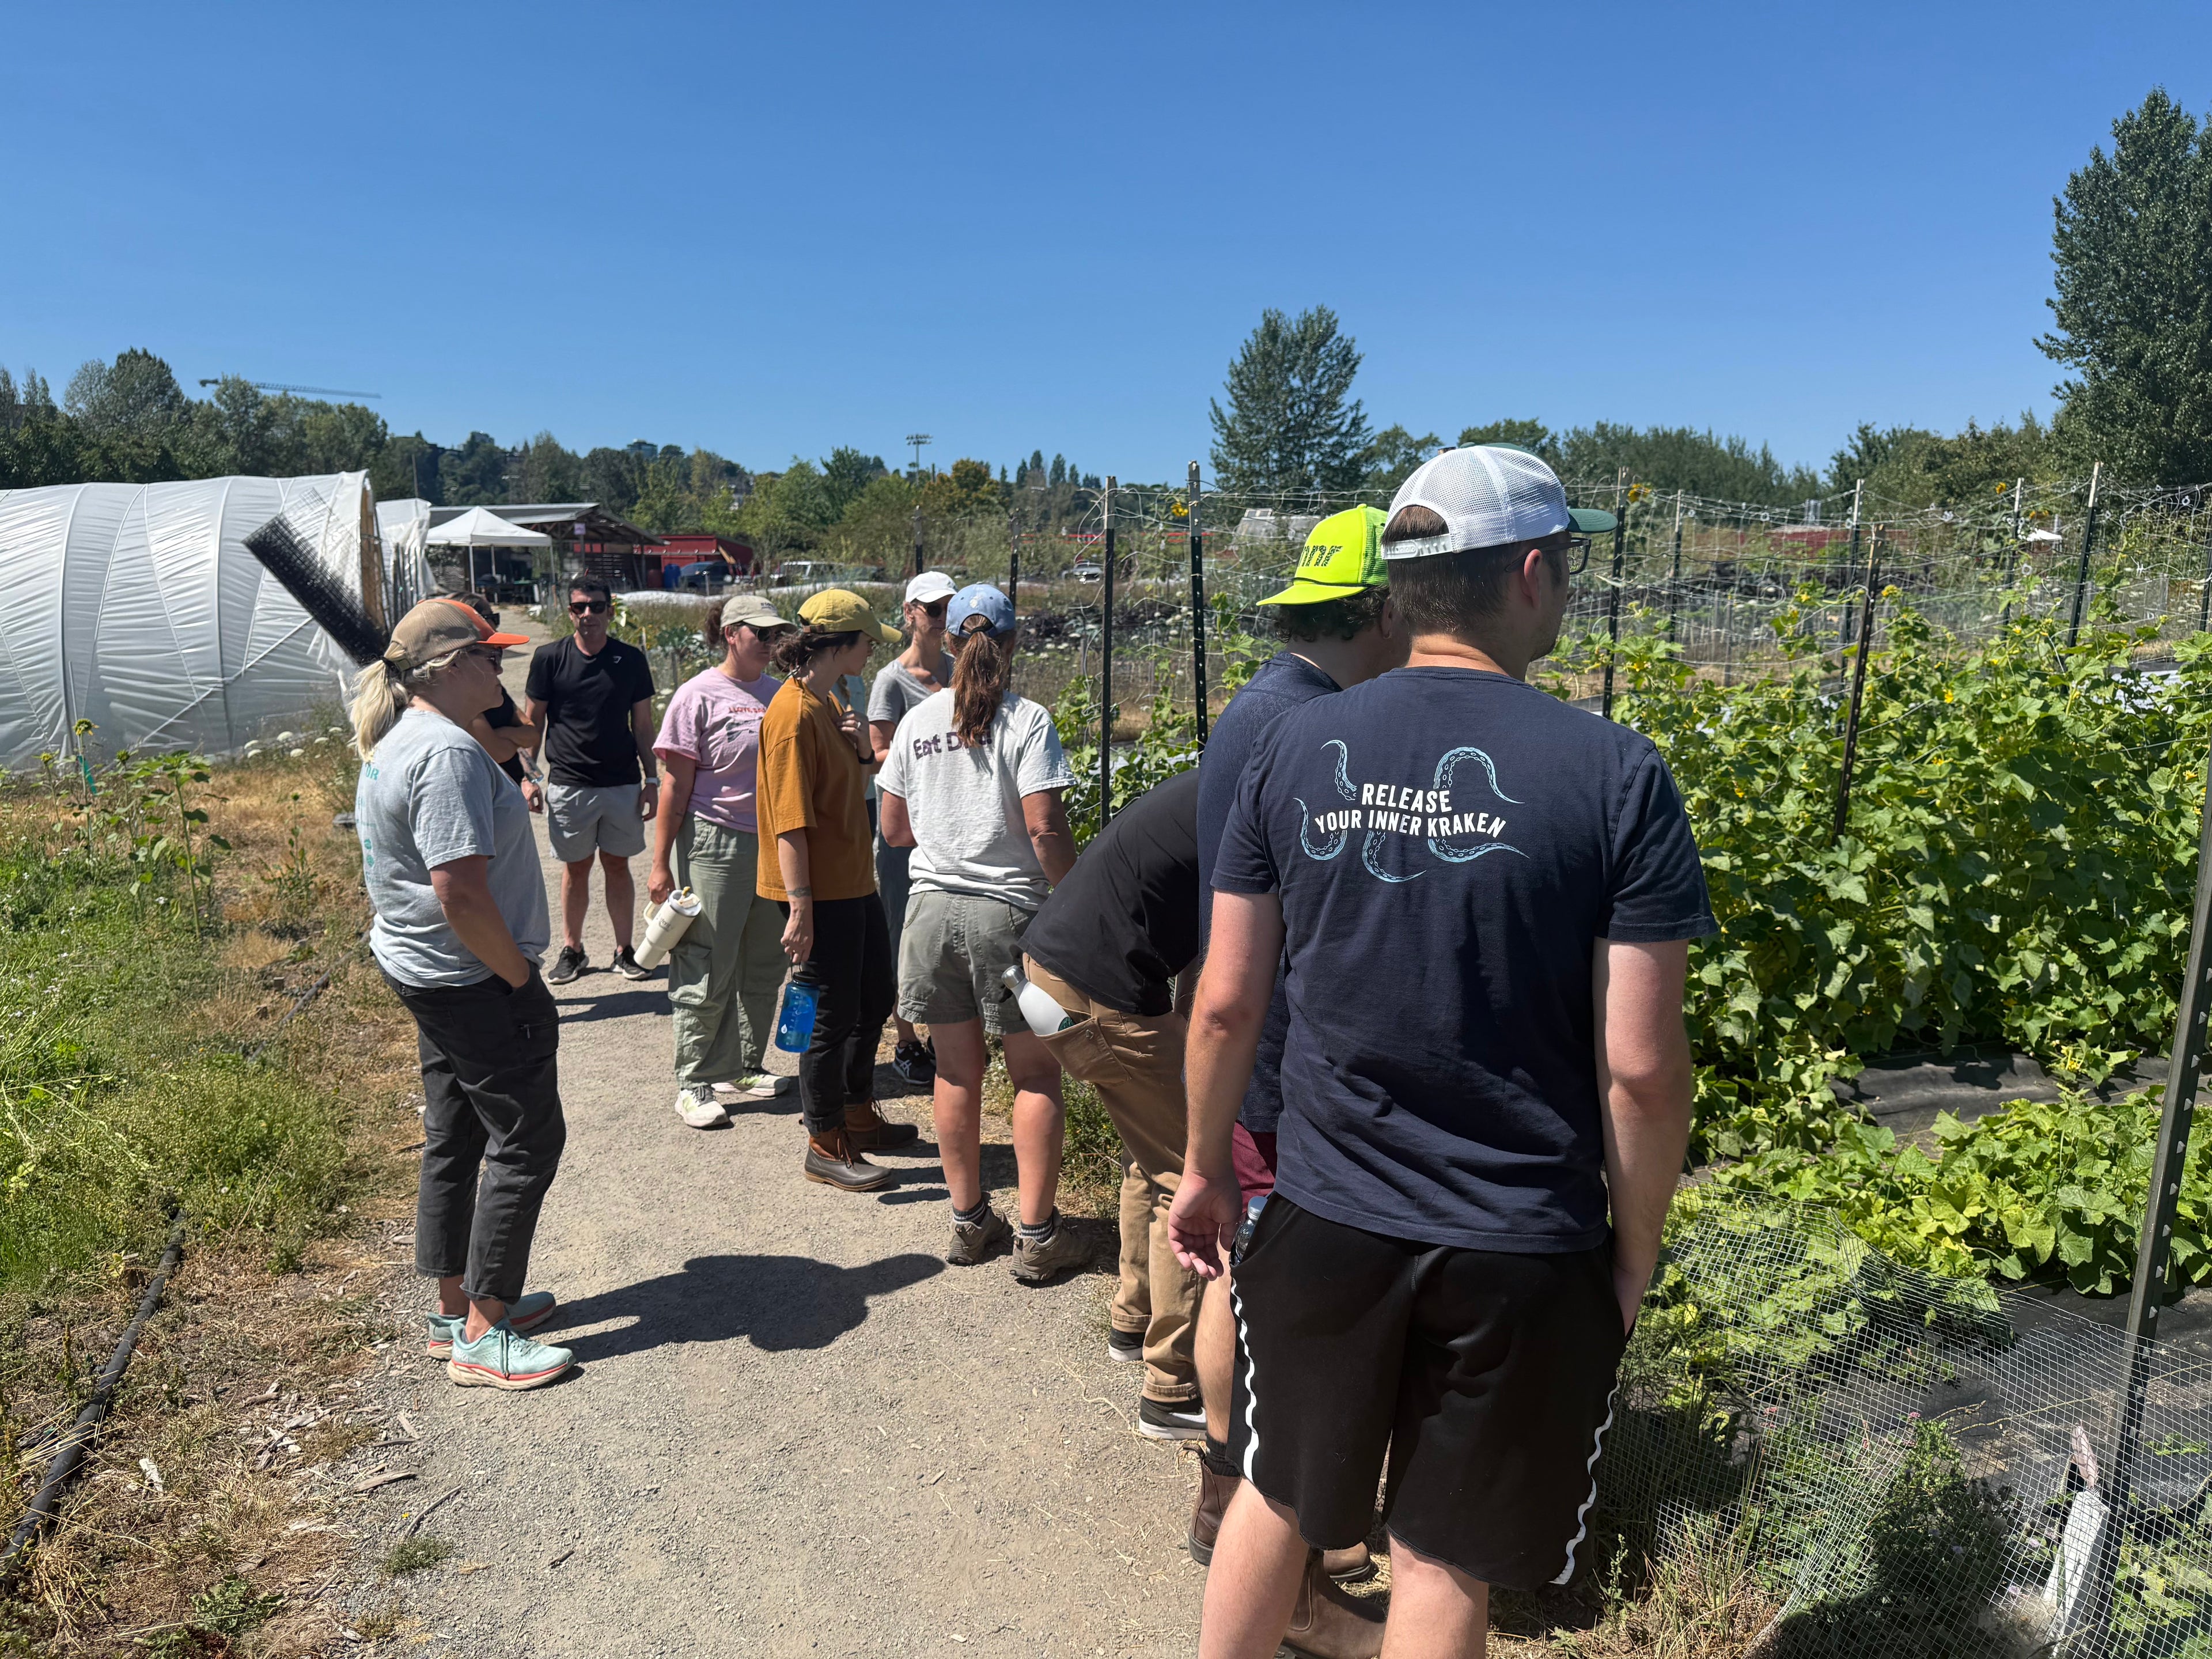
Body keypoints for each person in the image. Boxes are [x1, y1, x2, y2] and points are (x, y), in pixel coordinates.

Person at [1169, 446, 1709, 1658]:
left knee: (1276, 1487)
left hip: (1325, 1208)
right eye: (1565, 568)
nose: (1564, 590)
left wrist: (1206, 1166)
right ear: (1528, 574)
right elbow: (1639, 1069)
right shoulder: (1615, 774)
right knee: (1442, 1556)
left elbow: (1223, 1001)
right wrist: (1634, 1248)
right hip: (1519, 1236)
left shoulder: (1289, 749)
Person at [1187, 505, 1407, 1583]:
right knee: (1281, 1298)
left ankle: (1225, 1487)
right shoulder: (1308, 728)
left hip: (1252, 1050)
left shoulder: (1263, 704)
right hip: (1280, 1059)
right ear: (1377, 616)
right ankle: (1289, 1542)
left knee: (1242, 1276)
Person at [353, 598, 574, 1392]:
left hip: (423, 968)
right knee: (527, 1138)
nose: (501, 666)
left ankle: (456, 1309)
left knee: (456, 1131)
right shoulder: (446, 755)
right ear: (449, 670)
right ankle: (484, 1332)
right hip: (469, 975)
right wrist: (519, 980)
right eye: (488, 656)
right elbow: (461, 894)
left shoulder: (400, 740)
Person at [877, 584, 1079, 1281]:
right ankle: (1037, 1234)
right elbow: (1045, 827)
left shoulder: (918, 720)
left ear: (954, 642)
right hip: (1010, 913)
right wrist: (1077, 896)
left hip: (930, 910)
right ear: (1014, 641)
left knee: (956, 1071)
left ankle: (968, 1223)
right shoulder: (1028, 720)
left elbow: (894, 831)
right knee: (1034, 1075)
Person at [1018, 770, 1209, 1436]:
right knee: (1191, 1175)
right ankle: (1173, 1384)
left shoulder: (1204, 792)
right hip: (1102, 988)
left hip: (1052, 966)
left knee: (1148, 1155)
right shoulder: (1257, 811)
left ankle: (1133, 1319)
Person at [756, 588, 918, 1191]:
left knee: (874, 996)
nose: (874, 647)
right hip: (817, 890)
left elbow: (845, 783)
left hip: (852, 881)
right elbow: (789, 821)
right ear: (840, 644)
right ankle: (824, 1141)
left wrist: (859, 750)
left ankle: (855, 1113)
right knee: (827, 1016)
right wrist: (799, 908)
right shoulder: (794, 715)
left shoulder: (829, 702)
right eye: (867, 638)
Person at [647, 594, 800, 1128]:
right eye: (761, 632)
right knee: (707, 960)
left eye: (777, 632)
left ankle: (743, 1065)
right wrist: (661, 862)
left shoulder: (781, 694)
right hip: (714, 842)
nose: (771, 641)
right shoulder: (697, 696)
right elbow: (674, 786)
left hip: (772, 845)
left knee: (763, 960)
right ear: (731, 633)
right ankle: (692, 1080)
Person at [524, 577, 659, 983]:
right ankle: (574, 949)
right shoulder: (550, 659)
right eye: (580, 607)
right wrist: (530, 778)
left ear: (610, 611)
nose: (589, 615)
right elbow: (533, 724)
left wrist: (652, 779)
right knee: (576, 868)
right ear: (570, 612)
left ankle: (624, 950)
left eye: (597, 607)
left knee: (618, 866)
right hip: (570, 783)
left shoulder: (631, 660)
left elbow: (644, 725)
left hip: (621, 783)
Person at [869, 569, 959, 1089]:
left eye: (948, 607)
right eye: (932, 609)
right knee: (902, 929)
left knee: (945, 933)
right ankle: (905, 1039)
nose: (940, 617)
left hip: (951, 826)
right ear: (909, 614)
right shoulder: (890, 681)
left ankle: (943, 1035)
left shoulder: (960, 671)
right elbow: (881, 754)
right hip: (906, 831)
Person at [456, 592, 543, 793]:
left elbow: (532, 735)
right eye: (490, 618)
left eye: (498, 656)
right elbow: (499, 752)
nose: (499, 669)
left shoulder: (493, 686)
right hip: (487, 797)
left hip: (507, 795)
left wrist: (504, 733)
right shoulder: (462, 695)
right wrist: (513, 739)